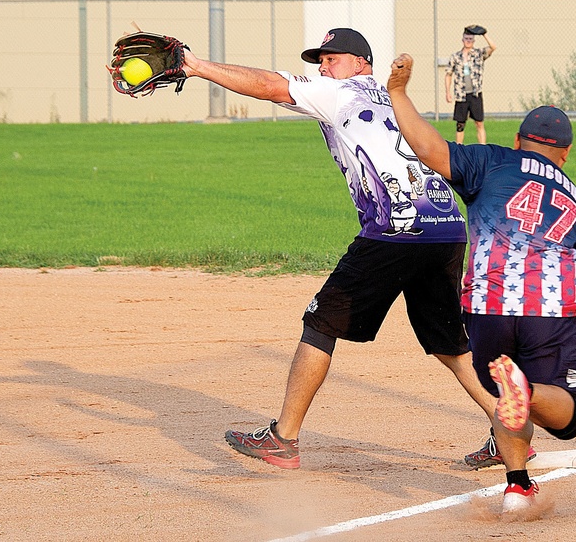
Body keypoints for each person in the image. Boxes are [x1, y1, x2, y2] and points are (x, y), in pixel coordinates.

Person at [180, 28, 508, 470]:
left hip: (395, 229)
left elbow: (269, 85)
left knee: (321, 323)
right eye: (321, 60)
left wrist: (196, 66)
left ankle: (283, 438)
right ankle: (506, 423)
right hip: (447, 227)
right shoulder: (395, 97)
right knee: (449, 342)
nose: (322, 67)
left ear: (360, 63)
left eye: (331, 58)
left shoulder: (341, 93)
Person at [388, 53, 576, 515]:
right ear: (565, 154)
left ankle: (518, 485)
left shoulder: (493, 161)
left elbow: (427, 147)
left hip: (486, 303)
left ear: (519, 141)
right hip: (548, 306)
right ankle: (531, 392)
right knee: (569, 415)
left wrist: (399, 93)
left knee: (506, 392)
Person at [445, 25, 497, 144]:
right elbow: (448, 74)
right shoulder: (455, 57)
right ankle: (459, 148)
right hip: (461, 94)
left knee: (479, 122)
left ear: (474, 40)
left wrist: (484, 34)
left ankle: (483, 148)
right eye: (466, 39)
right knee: (460, 124)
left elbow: (493, 47)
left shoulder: (478, 54)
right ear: (462, 40)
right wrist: (447, 92)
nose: (468, 41)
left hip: (475, 93)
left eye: (470, 39)